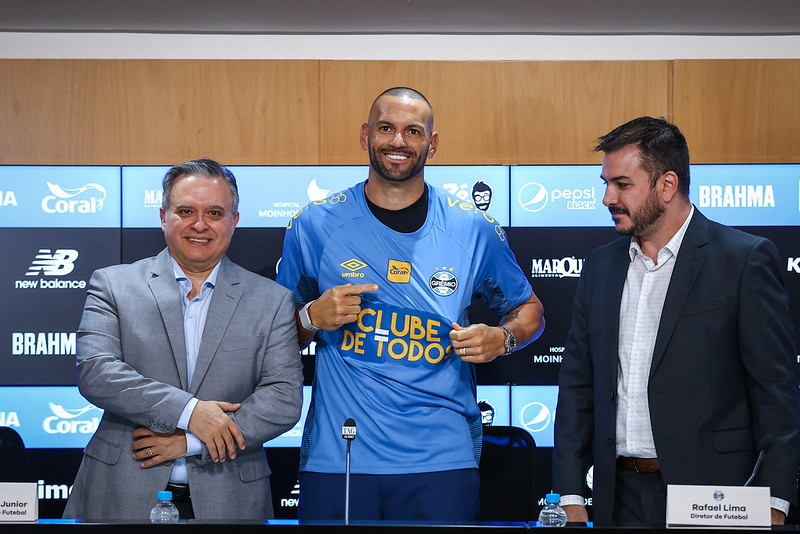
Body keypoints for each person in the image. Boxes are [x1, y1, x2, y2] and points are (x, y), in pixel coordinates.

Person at [276, 87, 544, 521]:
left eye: (413, 131)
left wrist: (503, 338)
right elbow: (273, 335)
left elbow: (529, 309)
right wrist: (310, 317)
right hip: (340, 455)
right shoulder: (315, 225)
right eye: (386, 128)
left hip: (442, 458)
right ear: (365, 135)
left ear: (431, 144)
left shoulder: (472, 227)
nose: (398, 141)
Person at [552, 117, 800, 527]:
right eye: (606, 183)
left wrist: (774, 502)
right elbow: (578, 384)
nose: (608, 197)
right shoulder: (600, 266)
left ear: (667, 185)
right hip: (617, 498)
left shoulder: (743, 260)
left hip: (716, 496)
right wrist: (570, 493)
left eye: (622, 184)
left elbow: (776, 394)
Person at [63, 158, 303, 520]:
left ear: (234, 221)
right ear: (164, 217)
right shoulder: (112, 285)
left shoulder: (272, 300)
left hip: (231, 497)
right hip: (122, 490)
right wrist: (190, 412)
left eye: (215, 213)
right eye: (186, 211)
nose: (199, 224)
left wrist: (193, 440)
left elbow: (283, 400)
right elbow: (97, 373)